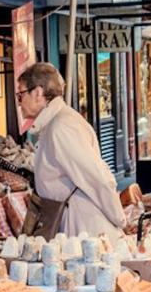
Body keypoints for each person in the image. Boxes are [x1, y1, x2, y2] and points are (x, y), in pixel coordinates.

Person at [16, 62, 124, 237]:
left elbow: (96, 177)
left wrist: (119, 218)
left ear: (38, 92)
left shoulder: (61, 126)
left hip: (82, 226)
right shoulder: (56, 123)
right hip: (73, 220)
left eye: (20, 95)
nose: (19, 103)